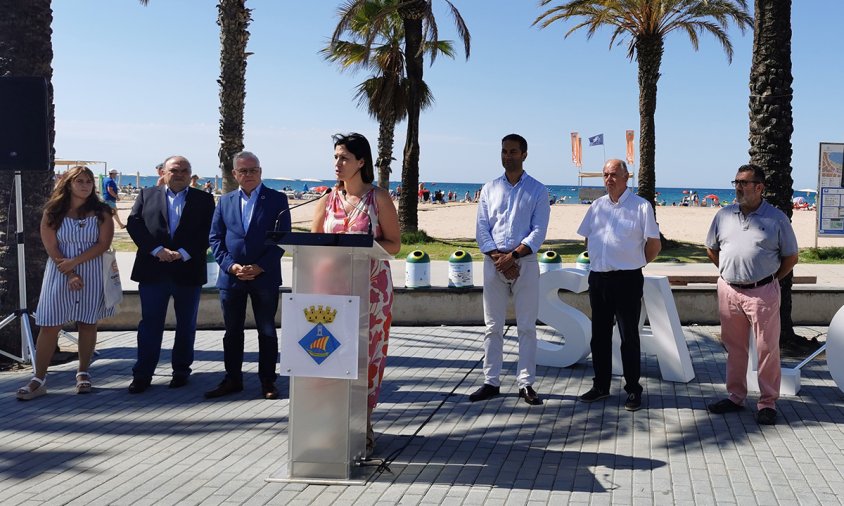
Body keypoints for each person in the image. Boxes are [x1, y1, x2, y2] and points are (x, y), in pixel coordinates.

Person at [311, 132, 400, 456]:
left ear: (361, 162)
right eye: (335, 157)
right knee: (332, 356)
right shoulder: (326, 200)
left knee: (367, 358)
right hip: (332, 296)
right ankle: (332, 423)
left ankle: (363, 424)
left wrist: (363, 250)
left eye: (344, 158)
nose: (337, 163)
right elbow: (313, 245)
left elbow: (394, 244)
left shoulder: (379, 199)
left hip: (371, 295)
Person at [705, 164, 798, 426]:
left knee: (767, 349)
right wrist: (728, 272)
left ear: (759, 187)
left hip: (763, 292)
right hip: (729, 290)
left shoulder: (776, 218)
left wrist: (769, 280)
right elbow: (712, 249)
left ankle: (767, 403)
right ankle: (735, 397)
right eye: (736, 182)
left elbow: (791, 257)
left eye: (744, 183)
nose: (738, 187)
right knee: (734, 348)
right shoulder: (723, 215)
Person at [16, 165, 116, 400]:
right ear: (68, 183)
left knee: (88, 323)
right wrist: (69, 271)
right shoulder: (53, 211)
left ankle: (83, 372)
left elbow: (103, 244)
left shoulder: (102, 212)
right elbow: (51, 245)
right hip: (59, 272)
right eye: (79, 181)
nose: (85, 185)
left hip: (92, 271)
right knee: (49, 324)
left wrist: (77, 263)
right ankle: (38, 379)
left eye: (88, 182)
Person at [470, 133, 550, 406]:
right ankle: (491, 382)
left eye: (513, 151)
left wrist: (514, 256)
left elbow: (538, 232)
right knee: (492, 326)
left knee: (526, 327)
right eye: (504, 151)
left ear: (524, 154)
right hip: (493, 264)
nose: (507, 156)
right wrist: (498, 258)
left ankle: (526, 383)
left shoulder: (538, 190)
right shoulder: (490, 188)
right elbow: (482, 228)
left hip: (524, 264)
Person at [126, 155, 215, 393]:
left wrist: (184, 253)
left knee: (186, 325)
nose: (180, 174)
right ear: (163, 173)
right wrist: (156, 250)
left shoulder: (204, 199)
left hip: (188, 270)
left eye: (185, 170)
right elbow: (134, 224)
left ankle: (181, 371)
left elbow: (209, 231)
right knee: (150, 325)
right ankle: (143, 374)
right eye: (174, 170)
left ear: (191, 174)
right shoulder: (147, 195)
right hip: (153, 270)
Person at [576, 159, 661, 411]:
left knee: (629, 337)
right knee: (599, 336)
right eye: (605, 175)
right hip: (599, 279)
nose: (608, 179)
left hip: (627, 280)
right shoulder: (596, 206)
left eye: (613, 174)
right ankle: (600, 386)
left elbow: (654, 244)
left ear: (626, 177)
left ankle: (633, 389)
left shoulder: (641, 207)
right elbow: (587, 238)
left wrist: (635, 262)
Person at [206, 151, 290, 400]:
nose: (249, 174)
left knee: (266, 331)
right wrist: (231, 266)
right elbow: (215, 238)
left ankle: (268, 381)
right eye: (243, 171)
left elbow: (283, 238)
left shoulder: (277, 199)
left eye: (253, 170)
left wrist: (261, 266)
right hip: (232, 279)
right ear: (234, 174)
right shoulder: (225, 201)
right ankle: (232, 379)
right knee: (232, 332)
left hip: (264, 277)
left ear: (261, 172)